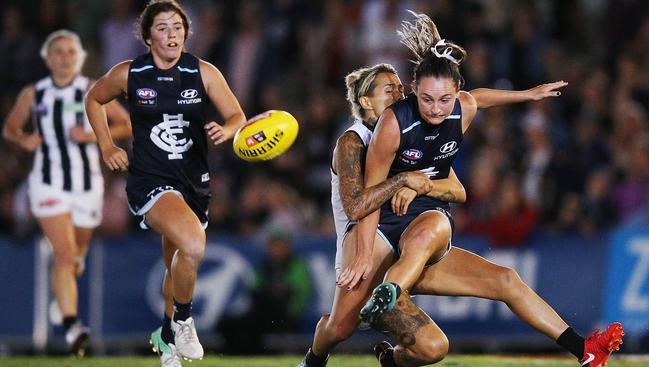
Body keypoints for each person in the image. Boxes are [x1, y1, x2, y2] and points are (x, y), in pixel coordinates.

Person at [339, 11, 623, 367]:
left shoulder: (463, 107)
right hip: (385, 230)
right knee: (338, 327)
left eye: (444, 100)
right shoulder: (393, 125)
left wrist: (528, 94)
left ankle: (585, 350)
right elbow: (369, 194)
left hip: (425, 221)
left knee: (504, 278)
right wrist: (365, 255)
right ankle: (366, 329)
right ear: (414, 91)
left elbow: (481, 97)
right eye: (426, 99)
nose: (436, 109)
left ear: (456, 94)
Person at [85, 1, 246, 366]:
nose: (172, 33)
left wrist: (228, 128)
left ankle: (166, 338)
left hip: (194, 182)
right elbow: (94, 99)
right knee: (192, 244)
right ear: (147, 37)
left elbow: (237, 115)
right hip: (150, 181)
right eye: (162, 27)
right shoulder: (129, 73)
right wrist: (107, 145)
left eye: (177, 27)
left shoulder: (204, 72)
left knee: (178, 260)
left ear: (186, 34)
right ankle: (185, 321)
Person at [2, 29, 131, 355]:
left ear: (79, 58)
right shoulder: (35, 94)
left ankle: (63, 299)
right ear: (47, 58)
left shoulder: (92, 91)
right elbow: (10, 128)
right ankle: (74, 327)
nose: (64, 57)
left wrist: (90, 137)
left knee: (76, 258)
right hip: (48, 183)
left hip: (87, 185)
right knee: (62, 253)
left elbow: (126, 125)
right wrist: (23, 140)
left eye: (70, 52)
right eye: (57, 52)